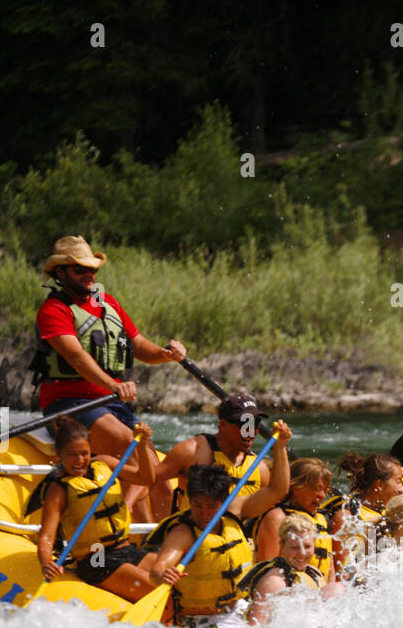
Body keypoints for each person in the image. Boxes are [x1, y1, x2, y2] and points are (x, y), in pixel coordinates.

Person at [31, 235, 186, 517]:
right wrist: (113, 384)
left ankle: (159, 545)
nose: (89, 275)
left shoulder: (108, 303)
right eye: (81, 269)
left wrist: (165, 354)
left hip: (110, 403)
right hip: (70, 404)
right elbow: (77, 357)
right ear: (60, 272)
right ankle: (118, 530)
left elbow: (139, 345)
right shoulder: (53, 310)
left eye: (93, 270)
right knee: (130, 446)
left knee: (159, 476)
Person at [146, 422, 293, 628]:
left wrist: (280, 447)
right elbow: (158, 568)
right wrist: (162, 574)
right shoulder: (184, 532)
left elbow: (277, 490)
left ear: (224, 502)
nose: (204, 514)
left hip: (240, 609)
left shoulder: (236, 511)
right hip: (204, 622)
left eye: (211, 507)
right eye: (197, 505)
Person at [33, 416, 158, 600]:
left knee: (176, 579)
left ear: (91, 450)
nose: (79, 460)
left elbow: (145, 479)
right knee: (157, 592)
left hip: (124, 549)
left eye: (84, 453)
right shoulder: (58, 489)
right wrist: (46, 562)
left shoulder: (104, 463)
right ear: (59, 455)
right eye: (72, 455)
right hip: (95, 560)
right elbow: (46, 536)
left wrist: (143, 444)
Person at [153, 392, 272, 517]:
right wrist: (162, 522)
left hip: (235, 535)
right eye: (244, 424)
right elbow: (149, 481)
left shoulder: (261, 469)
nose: (250, 431)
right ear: (223, 425)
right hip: (193, 534)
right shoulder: (192, 452)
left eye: (255, 423)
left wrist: (279, 448)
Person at [243, 514, 345, 625]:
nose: (302, 553)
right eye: (294, 547)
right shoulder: (274, 581)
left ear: (314, 545)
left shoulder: (313, 572)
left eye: (307, 546)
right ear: (282, 545)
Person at [321, 452, 403, 571]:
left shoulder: (385, 513)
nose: (400, 489)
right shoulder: (348, 516)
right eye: (398, 482)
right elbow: (340, 571)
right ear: (379, 485)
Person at [253, 457, 334, 581]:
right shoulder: (277, 518)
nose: (322, 496)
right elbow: (266, 571)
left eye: (325, 490)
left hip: (317, 592)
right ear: (296, 487)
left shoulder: (323, 519)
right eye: (316, 489)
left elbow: (330, 570)